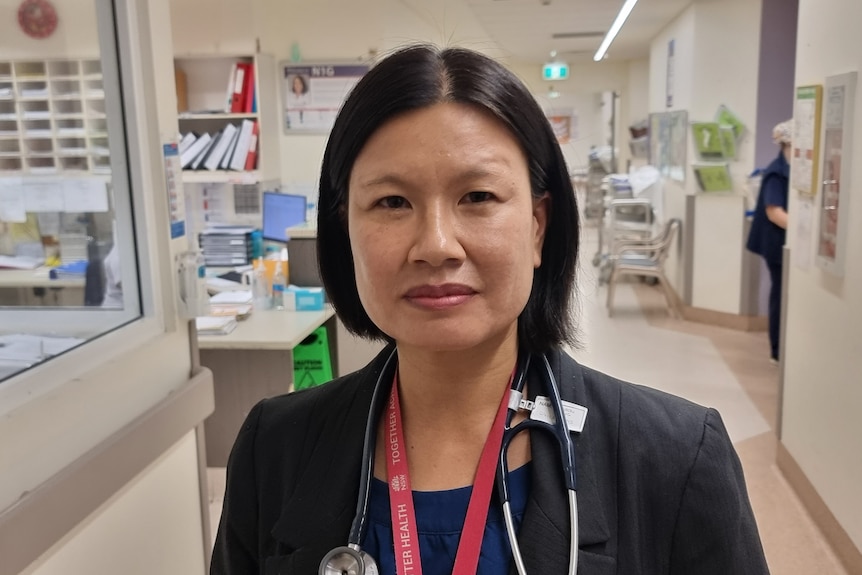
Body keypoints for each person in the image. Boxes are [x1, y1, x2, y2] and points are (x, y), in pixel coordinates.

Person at [211, 44, 769, 574]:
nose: (435, 245)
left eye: (477, 197)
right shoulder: (274, 448)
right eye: (391, 202)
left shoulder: (675, 459)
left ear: (537, 226)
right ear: (345, 231)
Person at [747, 120, 792, 363]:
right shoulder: (777, 171)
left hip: (781, 243)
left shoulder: (789, 169)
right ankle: (777, 349)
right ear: (786, 143)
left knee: (782, 294)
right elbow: (774, 211)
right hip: (777, 244)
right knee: (780, 295)